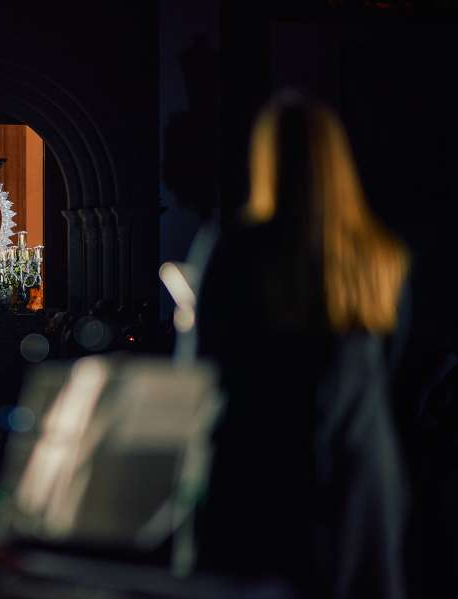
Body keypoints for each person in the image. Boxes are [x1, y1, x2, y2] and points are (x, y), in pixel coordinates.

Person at [194, 93, 409, 599]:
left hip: (260, 466)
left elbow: (202, 370)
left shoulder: (238, 249)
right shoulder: (380, 255)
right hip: (363, 467)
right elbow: (394, 368)